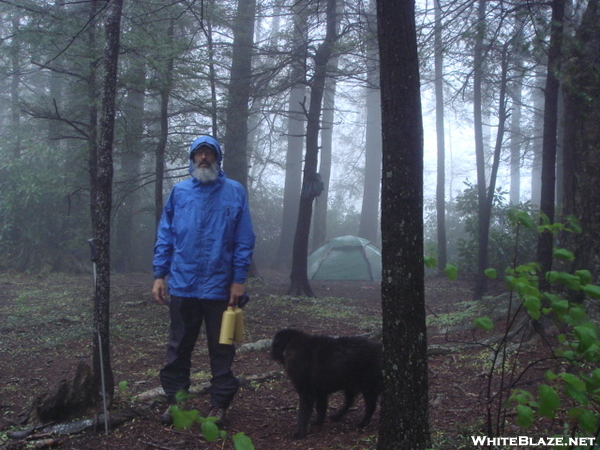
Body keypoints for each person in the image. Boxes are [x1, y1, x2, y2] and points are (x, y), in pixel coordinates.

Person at [152, 135, 255, 427]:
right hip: (183, 284)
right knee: (178, 347)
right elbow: (165, 235)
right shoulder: (180, 193)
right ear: (192, 159)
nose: (204, 158)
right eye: (200, 154)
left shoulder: (234, 192)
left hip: (220, 286)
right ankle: (177, 403)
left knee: (222, 348)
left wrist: (238, 280)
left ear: (218, 158)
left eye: (210, 153)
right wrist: (160, 275)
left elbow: (244, 239)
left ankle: (219, 405)